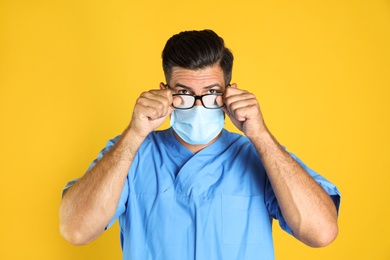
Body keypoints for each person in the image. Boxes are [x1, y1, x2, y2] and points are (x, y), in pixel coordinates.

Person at [60, 29, 340, 260]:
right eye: (183, 92)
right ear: (164, 92)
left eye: (211, 93)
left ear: (230, 94)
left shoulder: (261, 156)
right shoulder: (130, 154)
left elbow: (322, 232)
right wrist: (134, 133)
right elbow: (76, 230)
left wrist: (261, 136)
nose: (197, 105)